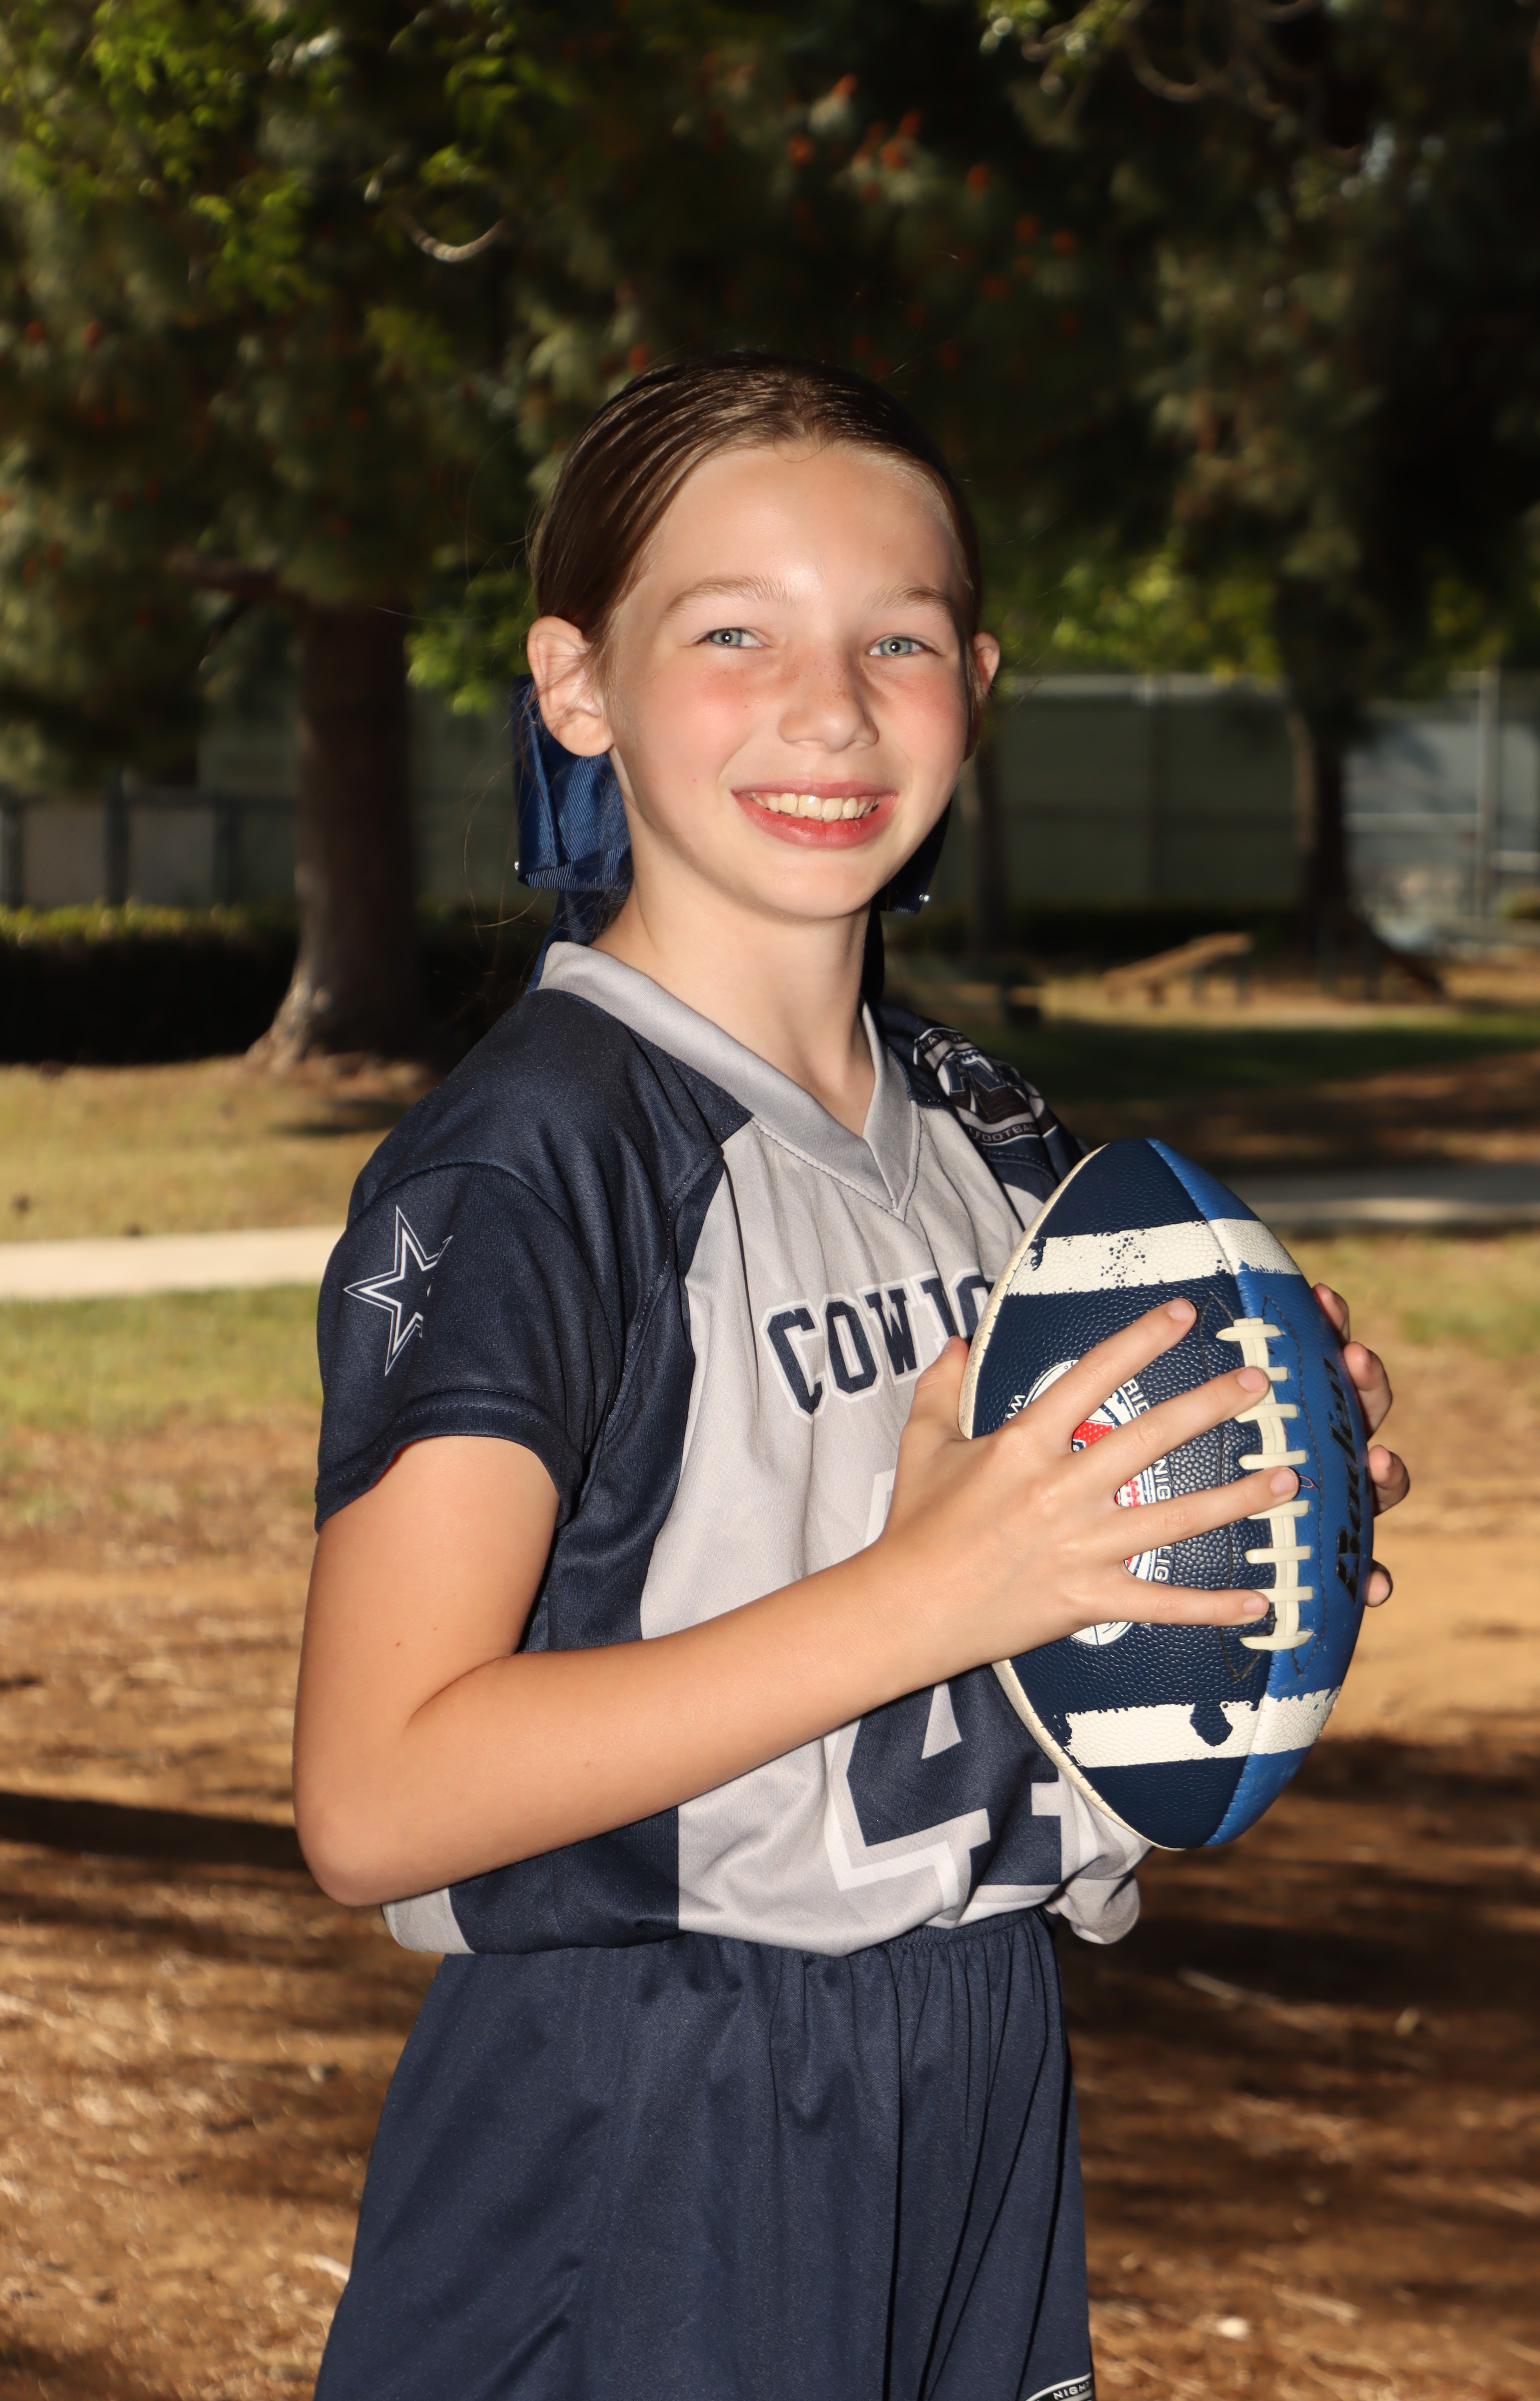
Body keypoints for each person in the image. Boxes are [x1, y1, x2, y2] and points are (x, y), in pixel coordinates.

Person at [295, 354, 1406, 2401]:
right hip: (648, 2105)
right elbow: (375, 1797)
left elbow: (1029, 1632)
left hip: (971, 2058)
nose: (829, 708)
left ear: (974, 683)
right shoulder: (539, 1159)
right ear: (577, 684)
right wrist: (930, 1595)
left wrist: (1234, 1503)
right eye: (734, 635)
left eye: (895, 639)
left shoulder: (997, 1142)